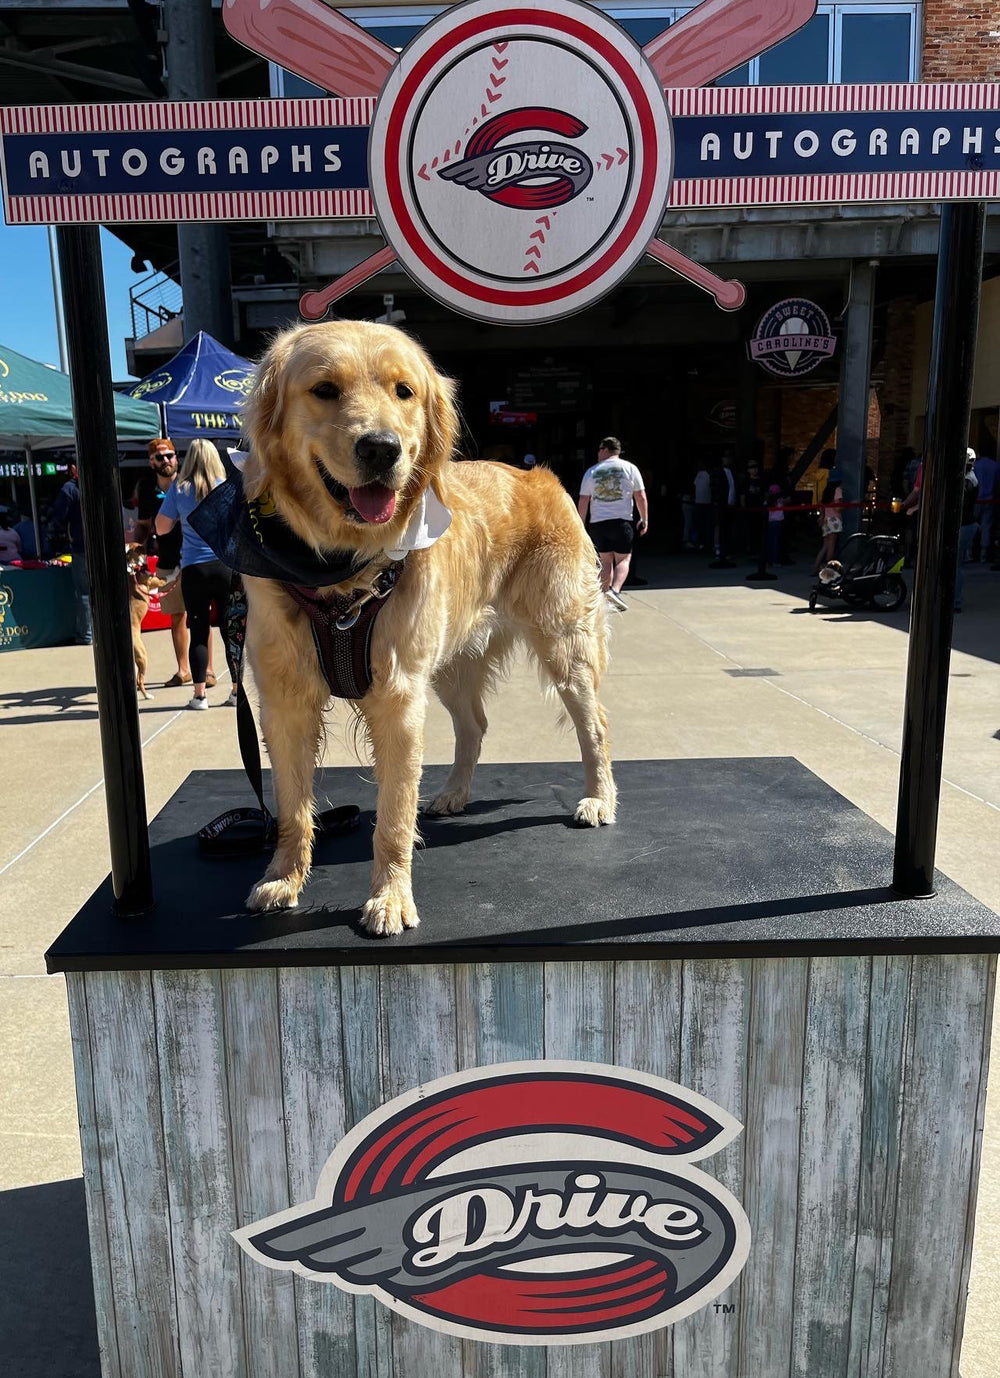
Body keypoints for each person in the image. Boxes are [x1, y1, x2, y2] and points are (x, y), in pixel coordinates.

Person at [155, 439, 233, 709]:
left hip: (193, 568)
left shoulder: (179, 488)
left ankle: (200, 696)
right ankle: (236, 691)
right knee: (230, 629)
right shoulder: (224, 484)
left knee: (198, 629)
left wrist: (180, 516)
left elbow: (161, 527)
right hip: (224, 566)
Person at [134, 437, 211, 688]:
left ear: (177, 457)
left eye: (170, 456)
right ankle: (183, 669)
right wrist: (138, 550)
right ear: (151, 461)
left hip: (195, 558)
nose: (166, 461)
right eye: (160, 457)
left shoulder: (188, 484)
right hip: (167, 560)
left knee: (200, 616)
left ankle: (207, 670)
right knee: (176, 616)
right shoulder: (146, 488)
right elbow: (144, 526)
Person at [577, 436, 648, 611]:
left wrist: (580, 523)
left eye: (600, 449)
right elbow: (640, 496)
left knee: (605, 560)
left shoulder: (592, 471)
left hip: (598, 523)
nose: (598, 453)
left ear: (606, 450)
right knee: (623, 559)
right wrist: (644, 518)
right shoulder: (630, 468)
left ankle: (604, 595)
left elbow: (584, 500)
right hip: (622, 521)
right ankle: (615, 591)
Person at [49, 463, 91, 644]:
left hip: (81, 548)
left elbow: (58, 518)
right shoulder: (99, 483)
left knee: (84, 593)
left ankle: (86, 634)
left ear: (74, 468)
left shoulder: (69, 489)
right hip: (104, 548)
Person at [955, 449, 980, 612]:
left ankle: (956, 601)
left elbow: (961, 504)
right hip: (966, 524)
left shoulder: (968, 481)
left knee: (955, 565)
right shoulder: (969, 479)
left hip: (964, 525)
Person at [709, 451, 737, 567]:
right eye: (726, 458)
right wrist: (718, 501)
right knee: (720, 527)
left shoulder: (732, 472)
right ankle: (719, 550)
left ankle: (727, 551)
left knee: (728, 528)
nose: (728, 460)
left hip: (730, 504)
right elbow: (714, 487)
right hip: (721, 504)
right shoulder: (718, 472)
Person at [814, 468, 844, 574]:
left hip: (826, 520)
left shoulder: (826, 491)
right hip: (834, 520)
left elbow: (822, 506)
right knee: (831, 547)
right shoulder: (838, 490)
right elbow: (838, 508)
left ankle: (816, 567)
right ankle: (829, 569)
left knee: (825, 546)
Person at [973, 448, 996, 562]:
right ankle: (983, 553)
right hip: (990, 499)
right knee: (986, 526)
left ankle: (970, 552)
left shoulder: (976, 465)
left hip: (976, 499)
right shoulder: (995, 466)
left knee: (972, 525)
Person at [693, 461, 712, 550]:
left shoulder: (699, 475)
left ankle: (700, 542)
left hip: (699, 502)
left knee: (700, 523)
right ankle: (704, 542)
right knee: (705, 524)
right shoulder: (707, 475)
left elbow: (695, 485)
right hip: (706, 502)